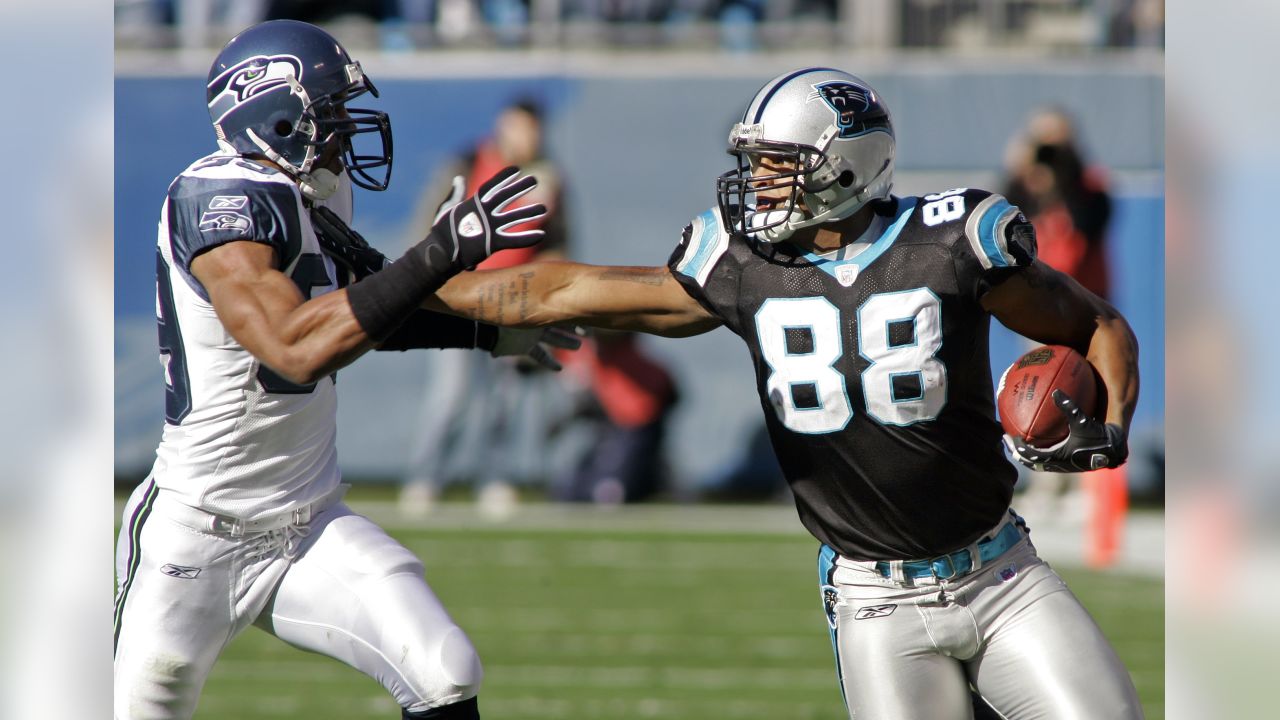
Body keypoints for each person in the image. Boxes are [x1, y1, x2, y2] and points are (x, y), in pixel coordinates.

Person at [428, 68, 1143, 718]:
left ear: (845, 166)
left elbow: (1098, 323)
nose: (760, 183)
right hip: (874, 599)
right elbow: (572, 290)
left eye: (778, 165)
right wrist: (421, 284)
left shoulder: (950, 242)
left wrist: (1110, 429)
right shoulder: (746, 264)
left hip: (1000, 573)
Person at [112, 20, 576, 720]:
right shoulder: (217, 197)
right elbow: (295, 345)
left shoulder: (314, 197)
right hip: (193, 533)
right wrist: (440, 253)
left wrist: (491, 335)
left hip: (305, 524)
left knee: (444, 669)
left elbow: (364, 314)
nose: (343, 133)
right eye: (329, 115)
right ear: (275, 115)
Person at [400, 98, 570, 517]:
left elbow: (558, 243)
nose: (526, 138)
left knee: (504, 400)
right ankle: (425, 478)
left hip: (513, 302)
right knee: (451, 396)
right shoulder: (467, 162)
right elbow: (428, 223)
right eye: (518, 128)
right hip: (457, 298)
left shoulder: (549, 177)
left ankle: (494, 478)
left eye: (532, 130)